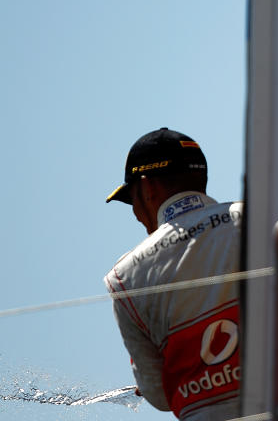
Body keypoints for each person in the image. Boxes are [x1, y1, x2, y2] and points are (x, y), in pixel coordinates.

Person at [103, 128, 242, 421]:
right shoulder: (259, 215)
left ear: (149, 188)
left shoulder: (124, 278)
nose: (137, 214)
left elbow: (159, 396)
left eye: (134, 200)